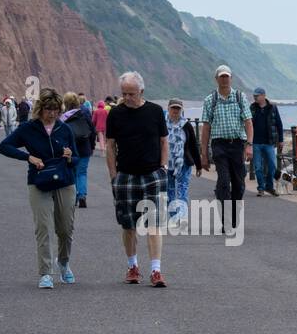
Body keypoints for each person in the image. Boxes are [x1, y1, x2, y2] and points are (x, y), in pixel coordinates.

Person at [0, 87, 78, 288]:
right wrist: (28, 157)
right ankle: (45, 273)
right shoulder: (28, 128)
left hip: (64, 181)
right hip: (39, 181)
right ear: (40, 108)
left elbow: (77, 158)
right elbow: (4, 146)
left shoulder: (65, 129)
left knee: (65, 228)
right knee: (43, 227)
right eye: (48, 109)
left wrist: (70, 157)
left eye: (55, 109)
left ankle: (64, 263)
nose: (52, 114)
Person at [104, 71, 169, 288]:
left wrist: (164, 167)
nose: (127, 97)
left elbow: (164, 141)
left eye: (131, 93)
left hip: (153, 175)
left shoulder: (155, 111)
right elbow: (110, 146)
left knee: (154, 224)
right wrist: (114, 176)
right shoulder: (115, 114)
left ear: (141, 91)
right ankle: (133, 266)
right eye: (124, 93)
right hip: (126, 175)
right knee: (128, 224)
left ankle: (156, 271)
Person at [199, 64, 253, 234]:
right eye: (221, 76)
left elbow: (248, 122)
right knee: (223, 182)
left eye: (226, 76)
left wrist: (249, 145)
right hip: (219, 145)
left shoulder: (239, 97)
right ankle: (226, 220)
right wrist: (204, 154)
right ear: (216, 79)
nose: (224, 79)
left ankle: (235, 217)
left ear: (231, 78)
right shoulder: (210, 100)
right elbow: (206, 127)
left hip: (237, 144)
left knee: (239, 184)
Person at [164, 99, 202, 228]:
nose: (175, 111)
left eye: (178, 109)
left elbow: (193, 146)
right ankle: (174, 216)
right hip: (166, 163)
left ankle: (181, 217)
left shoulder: (186, 125)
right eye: (173, 108)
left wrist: (199, 165)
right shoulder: (162, 124)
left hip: (184, 163)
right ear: (168, 109)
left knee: (182, 190)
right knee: (169, 191)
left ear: (181, 110)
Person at [60, 92, 95, 209]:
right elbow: (92, 131)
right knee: (82, 173)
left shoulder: (63, 117)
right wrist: (92, 146)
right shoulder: (84, 113)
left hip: (70, 150)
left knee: (73, 173)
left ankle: (73, 197)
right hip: (85, 148)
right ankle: (82, 195)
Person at [249, 86, 283, 196]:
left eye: (257, 96)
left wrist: (281, 140)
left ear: (263, 96)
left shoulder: (272, 107)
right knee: (258, 167)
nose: (255, 98)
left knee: (272, 166)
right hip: (255, 142)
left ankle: (269, 186)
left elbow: (279, 123)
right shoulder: (252, 108)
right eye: (254, 96)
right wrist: (247, 142)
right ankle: (261, 188)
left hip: (269, 142)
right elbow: (247, 124)